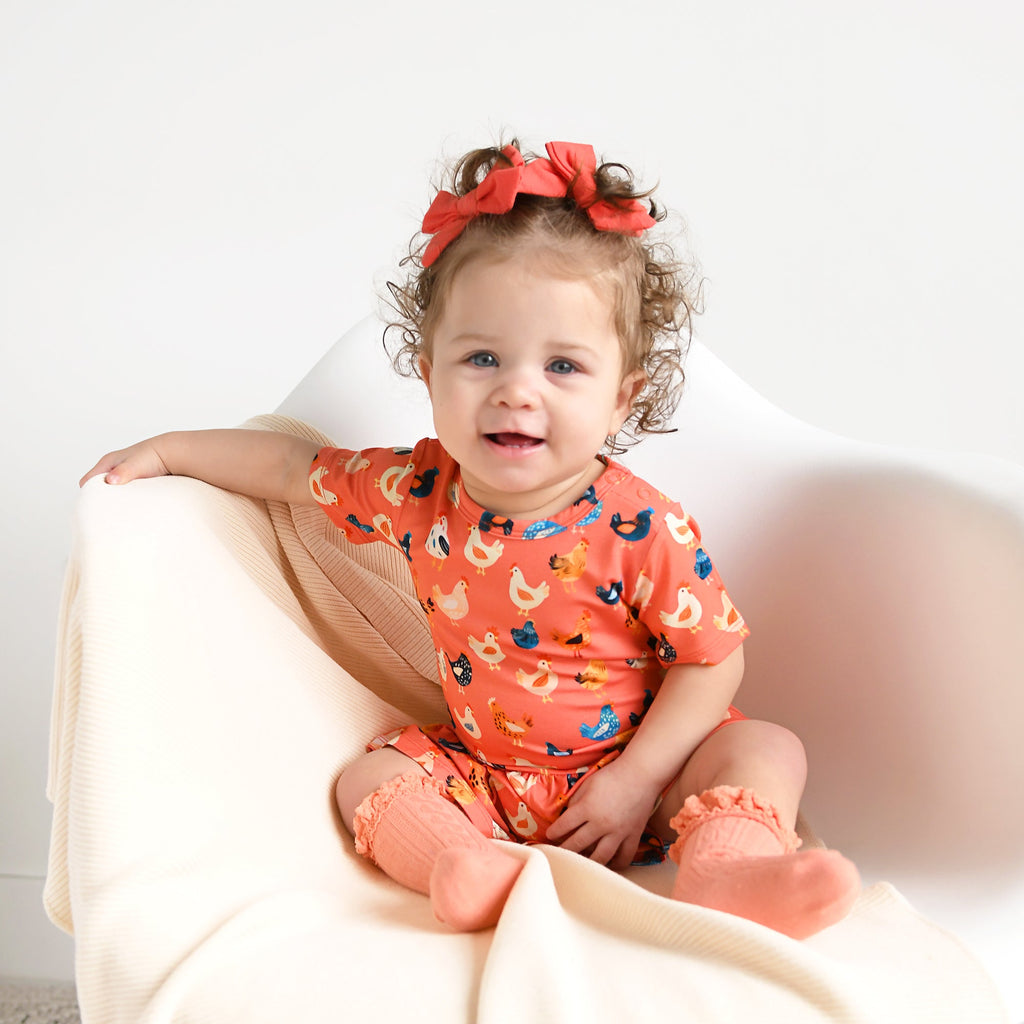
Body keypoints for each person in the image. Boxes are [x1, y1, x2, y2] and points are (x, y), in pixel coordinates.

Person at [81, 139, 860, 937]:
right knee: (365, 780)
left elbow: (712, 661)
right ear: (429, 375)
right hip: (492, 780)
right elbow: (290, 466)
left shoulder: (640, 526)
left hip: (646, 785)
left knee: (768, 746)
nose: (517, 391)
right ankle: (465, 868)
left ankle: (725, 871)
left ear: (621, 399)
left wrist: (634, 783)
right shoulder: (417, 491)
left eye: (563, 367)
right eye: (483, 358)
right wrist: (171, 450)